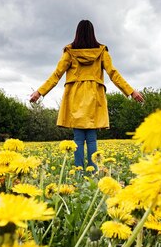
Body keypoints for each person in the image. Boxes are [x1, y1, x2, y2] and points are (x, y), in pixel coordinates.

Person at [29, 19, 144, 168]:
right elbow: (113, 73)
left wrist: (39, 92)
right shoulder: (102, 51)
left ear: (77, 33)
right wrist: (131, 91)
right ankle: (92, 172)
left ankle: (78, 171)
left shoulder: (69, 51)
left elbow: (56, 74)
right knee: (91, 138)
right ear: (92, 33)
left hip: (75, 96)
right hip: (94, 96)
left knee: (78, 137)